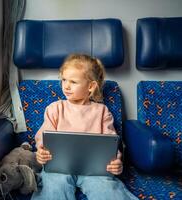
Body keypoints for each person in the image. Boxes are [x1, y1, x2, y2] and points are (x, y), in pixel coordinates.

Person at [31, 54, 138, 200]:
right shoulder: (54, 108)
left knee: (107, 191)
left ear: (91, 86)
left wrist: (116, 161)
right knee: (54, 188)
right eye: (63, 80)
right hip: (59, 168)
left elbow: (111, 143)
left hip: (94, 170)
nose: (66, 86)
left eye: (73, 82)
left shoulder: (101, 111)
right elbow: (43, 139)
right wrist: (41, 152)